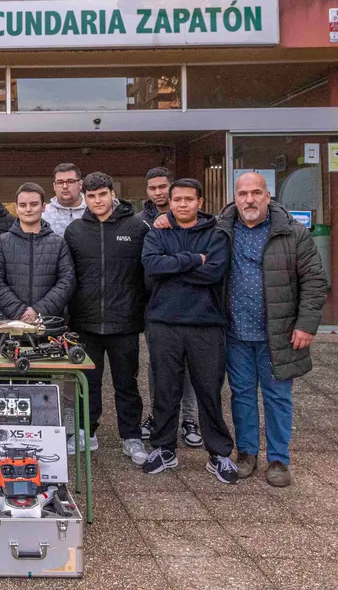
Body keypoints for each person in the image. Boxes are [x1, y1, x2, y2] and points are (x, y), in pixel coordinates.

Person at [218, 172, 328, 487]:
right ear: (235, 197)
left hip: (278, 334)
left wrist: (306, 325)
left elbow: (314, 281)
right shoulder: (222, 230)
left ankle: (279, 460)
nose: (249, 199)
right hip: (236, 333)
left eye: (256, 193)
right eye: (242, 194)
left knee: (277, 397)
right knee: (241, 396)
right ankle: (247, 453)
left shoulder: (293, 233)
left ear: (268, 196)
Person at [141, 178, 238, 483]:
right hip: (163, 322)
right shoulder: (158, 230)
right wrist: (193, 260)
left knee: (209, 389)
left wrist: (175, 269)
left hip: (205, 324)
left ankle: (219, 453)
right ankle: (163, 448)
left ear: (200, 201)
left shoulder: (216, 233)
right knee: (165, 389)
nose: (182, 204)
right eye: (177, 199)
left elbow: (214, 272)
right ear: (169, 202)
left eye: (188, 199)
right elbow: (152, 266)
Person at [64, 172, 149, 463]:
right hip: (86, 322)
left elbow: (146, 273)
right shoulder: (75, 231)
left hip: (124, 322)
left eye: (102, 194)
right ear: (84, 198)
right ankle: (86, 433)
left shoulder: (137, 227)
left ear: (112, 194)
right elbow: (68, 276)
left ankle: (132, 437)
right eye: (91, 196)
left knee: (127, 384)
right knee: (88, 383)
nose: (97, 200)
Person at [140, 167, 202, 449]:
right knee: (158, 367)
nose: (158, 193)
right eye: (152, 188)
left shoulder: (193, 221)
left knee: (189, 366)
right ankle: (158, 416)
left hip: (191, 304)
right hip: (155, 304)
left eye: (162, 187)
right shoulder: (140, 222)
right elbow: (149, 264)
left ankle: (190, 418)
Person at [0, 181, 74, 325]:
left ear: (43, 207)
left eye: (34, 204)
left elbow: (67, 282)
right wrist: (20, 311)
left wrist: (39, 311)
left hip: (49, 325)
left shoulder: (59, 244)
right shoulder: (2, 242)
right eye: (23, 205)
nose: (28, 209)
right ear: (16, 208)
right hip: (11, 326)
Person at [43, 163, 87, 236]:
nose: (65, 186)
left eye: (70, 181)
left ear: (80, 184)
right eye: (60, 182)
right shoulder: (43, 214)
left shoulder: (92, 210)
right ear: (54, 186)